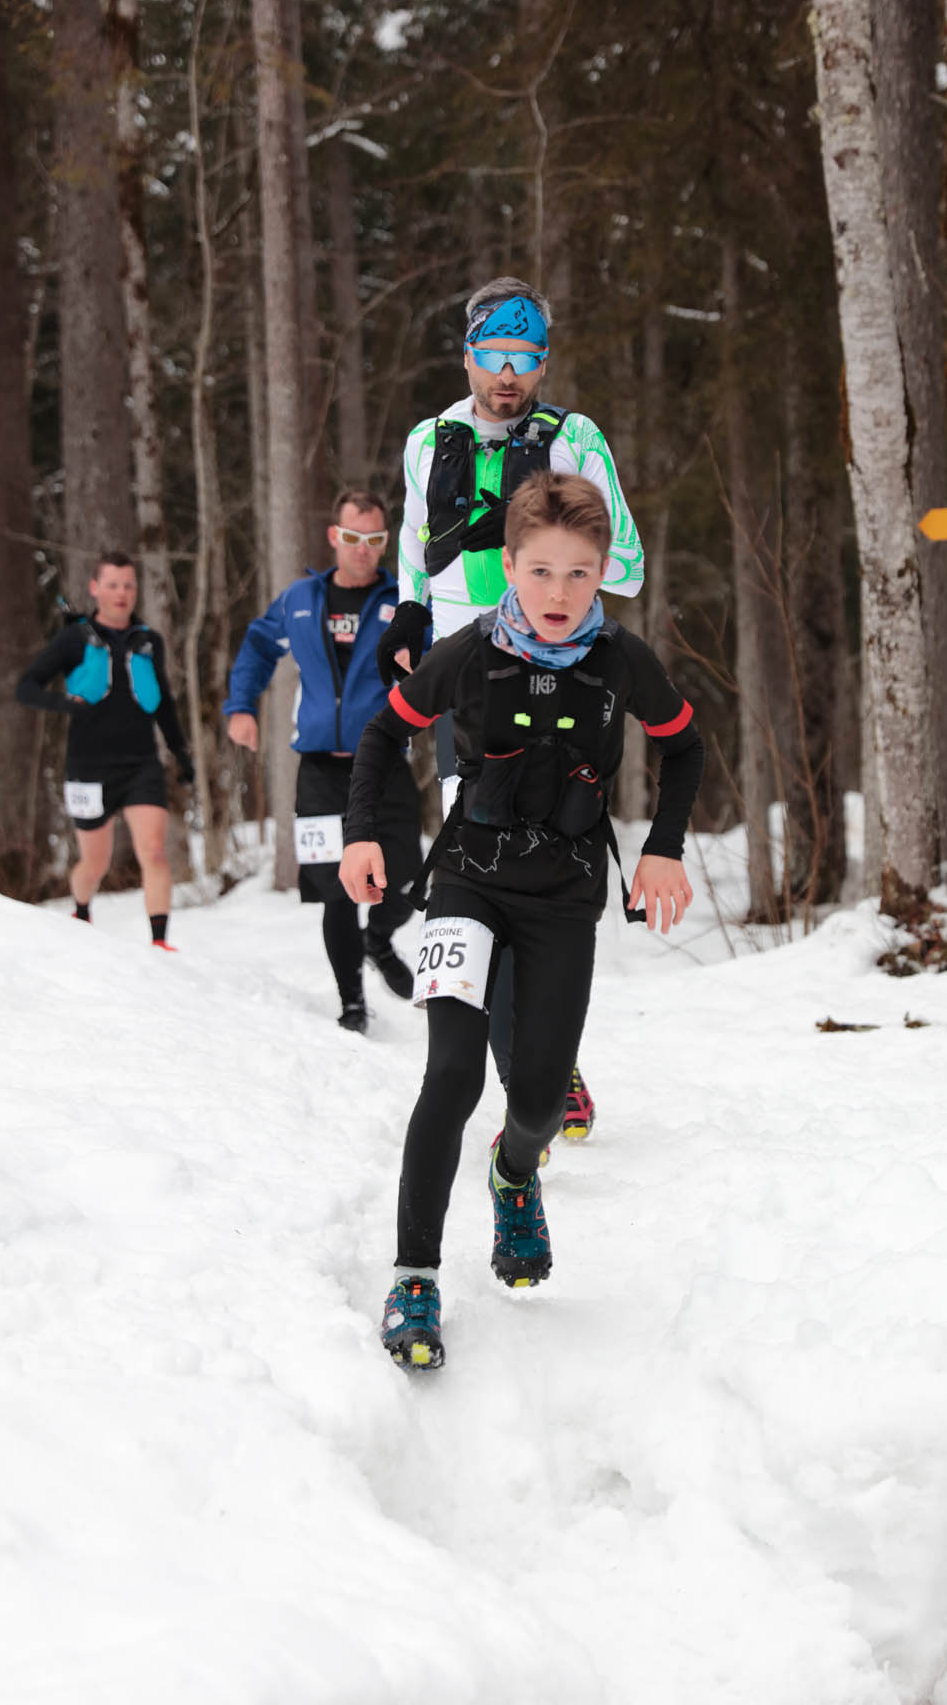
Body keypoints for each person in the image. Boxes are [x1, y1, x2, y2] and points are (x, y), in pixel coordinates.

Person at [340, 471, 703, 1370]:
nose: (558, 592)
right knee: (453, 1075)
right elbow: (383, 735)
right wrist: (361, 835)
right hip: (468, 880)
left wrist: (664, 847)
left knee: (539, 1102)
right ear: (508, 566)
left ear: (603, 573)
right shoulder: (468, 652)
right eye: (540, 571)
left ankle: (513, 1175)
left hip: (565, 895)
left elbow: (684, 743)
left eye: (579, 573)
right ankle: (414, 1277)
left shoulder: (621, 659)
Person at [393, 274, 645, 1138]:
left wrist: (535, 539)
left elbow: (628, 566)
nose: (509, 374)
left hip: (564, 683)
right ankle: (525, 1076)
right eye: (494, 355)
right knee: (474, 876)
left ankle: (544, 1058)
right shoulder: (429, 440)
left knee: (550, 875)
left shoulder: (574, 438)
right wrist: (409, 615)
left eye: (526, 356)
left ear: (543, 362)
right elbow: (413, 550)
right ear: (467, 354)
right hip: (469, 686)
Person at [223, 490, 422, 1033]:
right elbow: (258, 645)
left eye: (374, 540)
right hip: (318, 769)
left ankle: (377, 939)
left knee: (407, 877)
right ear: (335, 536)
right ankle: (352, 1003)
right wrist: (241, 706)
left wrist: (420, 660)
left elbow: (434, 651)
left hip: (383, 763)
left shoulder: (401, 601)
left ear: (385, 541)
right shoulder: (301, 599)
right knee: (338, 891)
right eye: (353, 538)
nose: (363, 549)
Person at [16, 552, 193, 948]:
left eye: (128, 585)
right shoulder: (74, 639)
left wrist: (181, 754)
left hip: (141, 764)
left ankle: (159, 941)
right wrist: (66, 704)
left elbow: (164, 703)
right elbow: (26, 687)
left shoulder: (149, 641)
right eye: (112, 585)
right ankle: (81, 910)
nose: (121, 593)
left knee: (154, 852)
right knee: (94, 863)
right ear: (95, 589)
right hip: (88, 766)